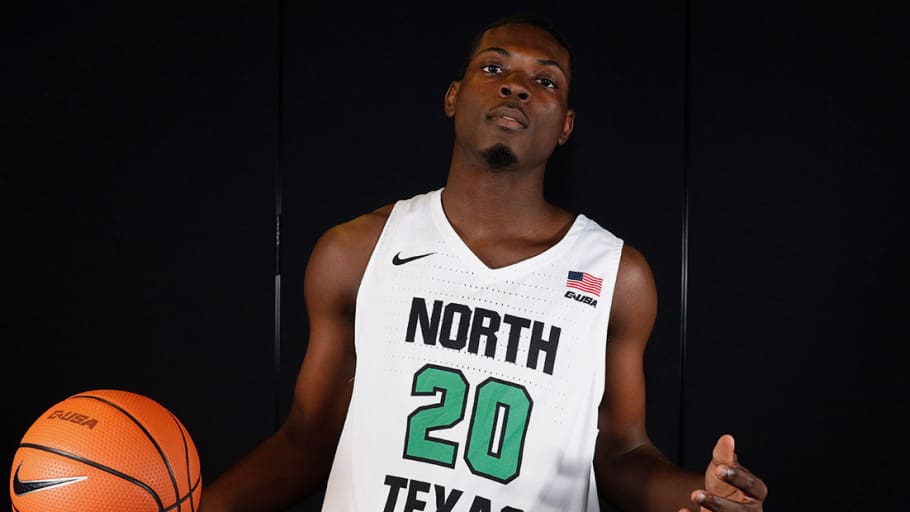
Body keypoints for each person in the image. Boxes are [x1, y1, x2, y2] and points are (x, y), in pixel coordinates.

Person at [201, 13, 768, 512]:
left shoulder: (616, 275)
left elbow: (620, 456)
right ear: (453, 96)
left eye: (545, 80)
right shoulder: (356, 251)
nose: (517, 87)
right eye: (494, 69)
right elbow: (309, 437)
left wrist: (702, 497)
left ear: (566, 124)